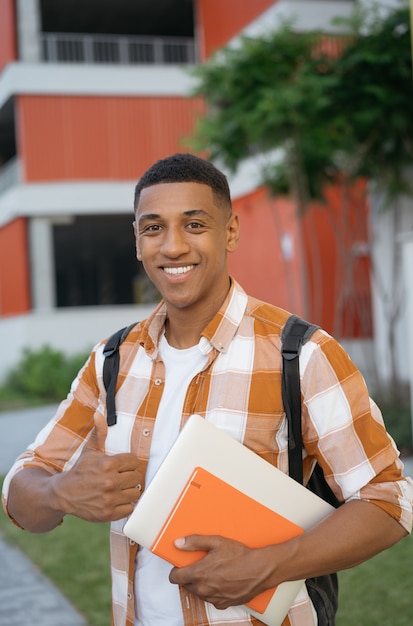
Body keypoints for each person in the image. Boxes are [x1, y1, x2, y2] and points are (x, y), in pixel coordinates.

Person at [2, 153, 412, 626]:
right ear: (137, 240)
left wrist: (269, 564)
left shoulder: (301, 354)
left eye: (194, 225)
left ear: (230, 232)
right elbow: (20, 492)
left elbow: (389, 500)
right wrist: (57, 492)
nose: (173, 247)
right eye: (153, 228)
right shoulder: (111, 360)